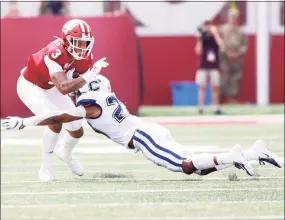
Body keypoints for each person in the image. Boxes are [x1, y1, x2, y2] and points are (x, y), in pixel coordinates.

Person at [3, 75, 282, 178]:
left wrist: (23, 122)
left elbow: (57, 118)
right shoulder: (102, 93)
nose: (73, 91)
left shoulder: (87, 106)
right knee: (196, 167)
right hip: (150, 129)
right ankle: (253, 153)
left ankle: (232, 156)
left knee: (185, 166)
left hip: (142, 138)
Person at [15, 19, 109, 182]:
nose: (81, 47)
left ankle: (65, 152)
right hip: (32, 85)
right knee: (54, 120)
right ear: (66, 40)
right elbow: (64, 88)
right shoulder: (54, 53)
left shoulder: (86, 58)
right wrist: (89, 76)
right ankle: (46, 167)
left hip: (52, 87)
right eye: (77, 42)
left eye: (85, 43)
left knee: (77, 128)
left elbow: (77, 84)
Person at [219, 8, 248, 104]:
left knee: (235, 77)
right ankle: (218, 98)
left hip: (237, 58)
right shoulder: (222, 29)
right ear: (228, 17)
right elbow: (219, 42)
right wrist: (227, 52)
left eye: (235, 17)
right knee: (224, 77)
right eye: (232, 17)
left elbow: (244, 45)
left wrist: (238, 53)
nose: (233, 19)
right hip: (225, 58)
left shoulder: (240, 31)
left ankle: (231, 98)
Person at [195, 21, 224, 115]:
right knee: (202, 86)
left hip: (214, 65)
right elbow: (198, 51)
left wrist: (215, 33)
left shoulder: (215, 37)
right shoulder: (202, 38)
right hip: (203, 65)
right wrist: (199, 39)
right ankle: (200, 107)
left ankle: (216, 107)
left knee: (215, 86)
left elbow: (221, 45)